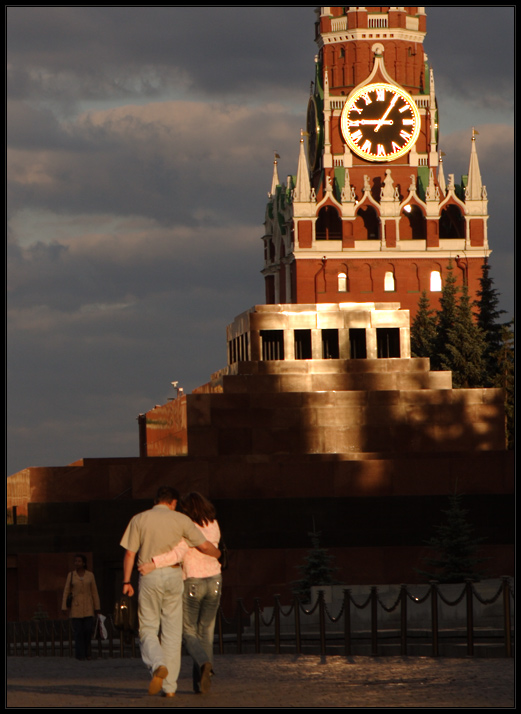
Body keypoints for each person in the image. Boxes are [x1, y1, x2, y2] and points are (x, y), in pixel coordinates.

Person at [120, 486, 220, 698]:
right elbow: (203, 545)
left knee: (148, 628)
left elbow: (129, 553)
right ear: (173, 502)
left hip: (149, 576)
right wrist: (218, 553)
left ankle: (157, 664)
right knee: (173, 634)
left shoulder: (139, 519)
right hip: (175, 577)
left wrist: (126, 581)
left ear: (156, 500)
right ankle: (170, 688)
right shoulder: (181, 520)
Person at [61, 554, 101, 661]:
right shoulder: (71, 575)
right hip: (76, 607)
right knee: (78, 632)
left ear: (83, 563)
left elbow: (94, 592)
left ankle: (87, 652)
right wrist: (64, 606)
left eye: (79, 561)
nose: (77, 563)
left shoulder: (90, 575)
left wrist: (97, 607)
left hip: (88, 607)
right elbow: (66, 591)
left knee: (88, 631)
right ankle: (80, 654)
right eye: (75, 561)